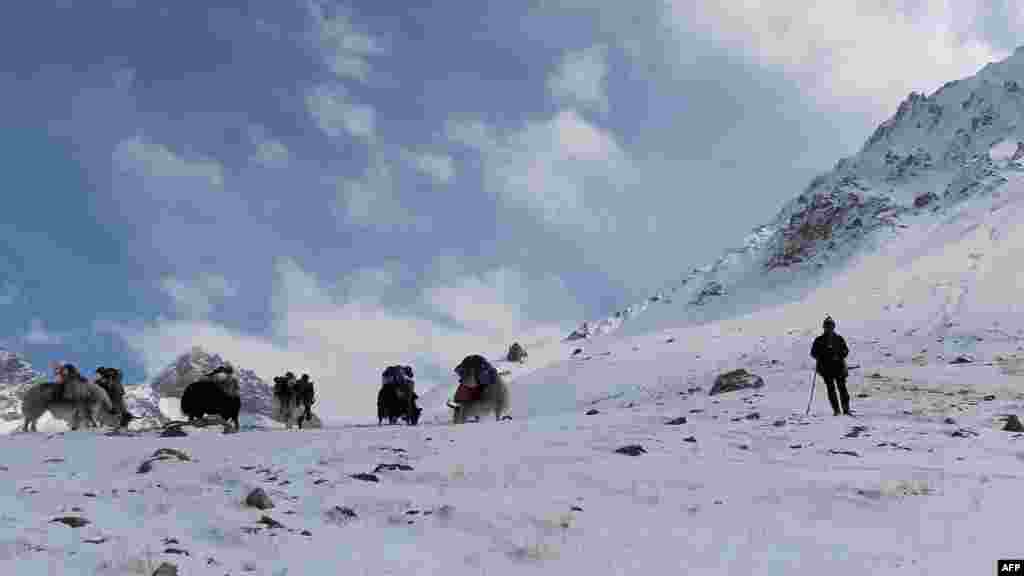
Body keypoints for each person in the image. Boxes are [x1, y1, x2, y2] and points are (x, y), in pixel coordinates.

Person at [810, 316, 851, 416]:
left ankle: (845, 410)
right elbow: (813, 353)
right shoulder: (819, 340)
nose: (829, 328)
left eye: (830, 326)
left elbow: (846, 351)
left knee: (842, 389)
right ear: (824, 327)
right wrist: (822, 356)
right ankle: (837, 410)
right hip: (826, 369)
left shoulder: (838, 339)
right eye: (827, 326)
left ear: (833, 327)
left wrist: (839, 355)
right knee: (832, 390)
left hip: (838, 368)